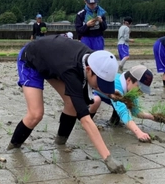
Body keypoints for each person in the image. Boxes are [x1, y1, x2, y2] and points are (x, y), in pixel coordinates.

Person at [7, 34, 126, 174]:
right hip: (31, 60)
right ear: (88, 70)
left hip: (52, 61)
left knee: (71, 104)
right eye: (100, 83)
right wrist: (108, 158)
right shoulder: (71, 71)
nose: (100, 86)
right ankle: (13, 148)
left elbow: (95, 80)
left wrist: (109, 93)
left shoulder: (95, 58)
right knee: (36, 114)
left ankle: (60, 142)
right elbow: (86, 120)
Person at [89, 65, 155, 142]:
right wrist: (139, 133)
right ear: (129, 80)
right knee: (97, 100)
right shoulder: (116, 86)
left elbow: (136, 112)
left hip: (111, 97)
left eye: (143, 90)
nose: (140, 93)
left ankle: (113, 122)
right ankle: (88, 120)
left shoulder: (131, 90)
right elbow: (123, 112)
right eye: (138, 88)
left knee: (121, 107)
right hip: (94, 92)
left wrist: (154, 117)